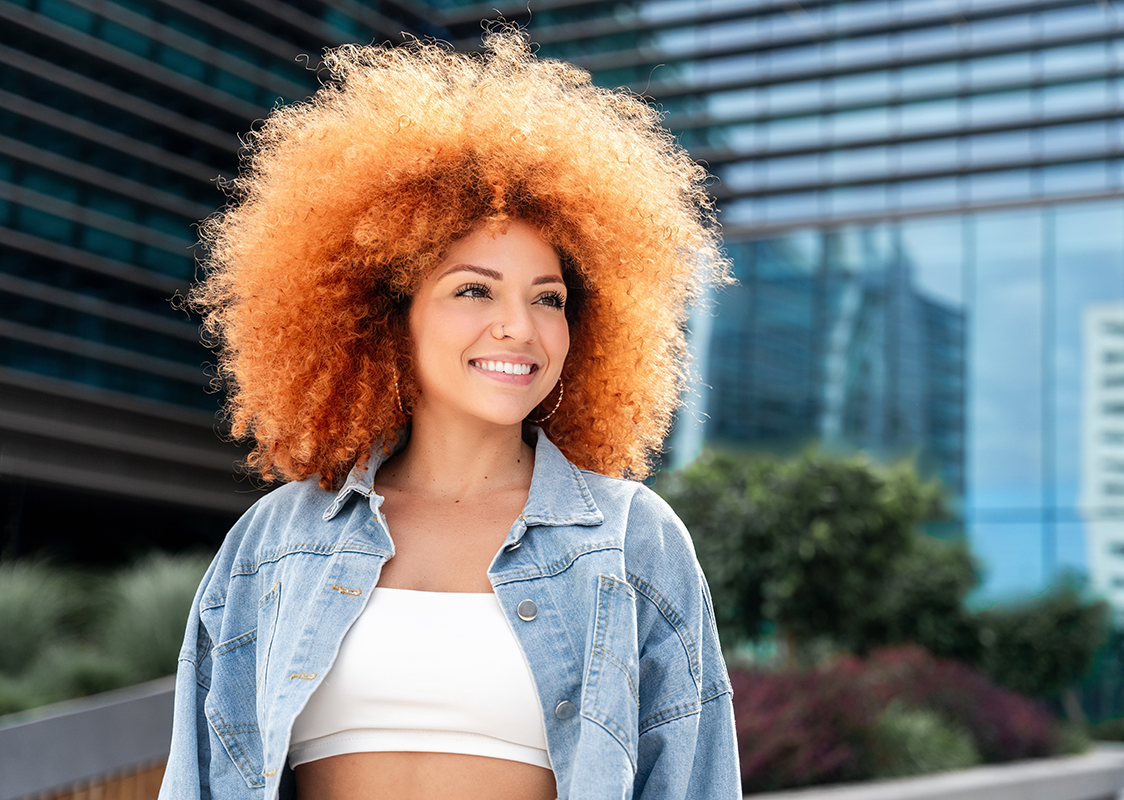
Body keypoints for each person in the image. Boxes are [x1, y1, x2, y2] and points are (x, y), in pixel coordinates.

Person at [159, 29, 740, 800]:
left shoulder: (631, 538)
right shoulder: (274, 541)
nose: (519, 327)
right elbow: (200, 779)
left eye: (548, 299)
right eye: (474, 290)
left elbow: (695, 781)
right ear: (387, 314)